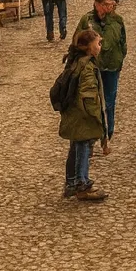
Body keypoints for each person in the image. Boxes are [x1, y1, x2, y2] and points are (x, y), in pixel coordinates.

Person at [57, 28, 107, 202]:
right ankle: (82, 184)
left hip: (74, 113)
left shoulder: (76, 61)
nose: (100, 46)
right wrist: (97, 119)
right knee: (84, 147)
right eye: (98, 44)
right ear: (88, 47)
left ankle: (71, 183)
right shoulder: (86, 67)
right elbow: (89, 96)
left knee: (76, 146)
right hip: (83, 116)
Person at [74, 0, 127, 149]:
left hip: (111, 67)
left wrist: (119, 58)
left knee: (109, 102)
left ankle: (107, 134)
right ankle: (91, 138)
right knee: (91, 101)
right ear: (97, 4)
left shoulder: (117, 20)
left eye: (111, 5)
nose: (108, 8)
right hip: (92, 67)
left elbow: (122, 42)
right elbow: (77, 41)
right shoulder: (87, 20)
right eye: (105, 5)